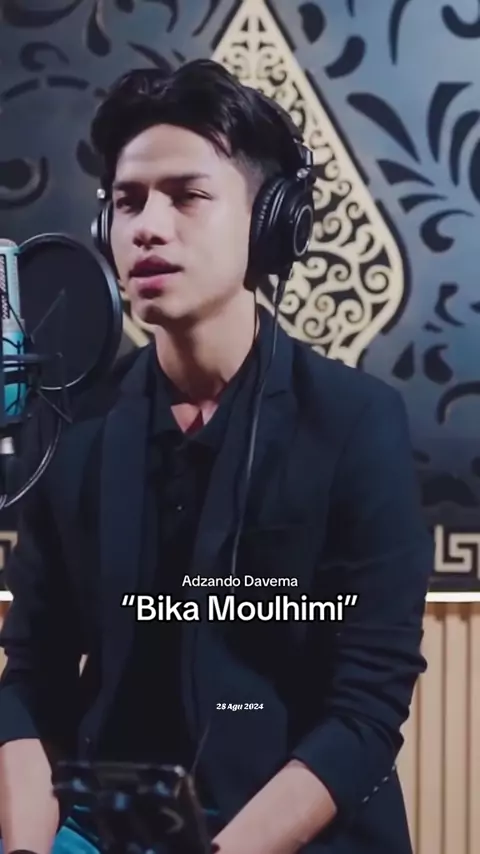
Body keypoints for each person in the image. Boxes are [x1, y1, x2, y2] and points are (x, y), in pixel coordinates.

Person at [0, 59, 432, 854]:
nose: (147, 227)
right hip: (108, 829)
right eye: (127, 202)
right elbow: (32, 680)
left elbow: (365, 711)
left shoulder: (356, 422)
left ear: (267, 223)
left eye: (187, 196)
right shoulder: (74, 430)